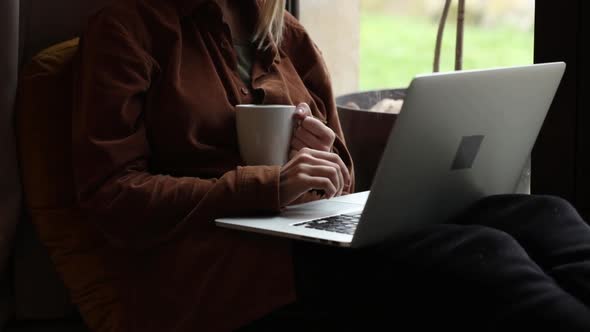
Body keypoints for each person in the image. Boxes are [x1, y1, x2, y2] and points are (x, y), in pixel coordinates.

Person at [69, 0, 590, 331]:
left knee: (544, 215)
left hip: (307, 234)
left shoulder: (286, 34)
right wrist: (267, 185)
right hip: (223, 266)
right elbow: (111, 196)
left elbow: (342, 175)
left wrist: (326, 163)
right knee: (483, 250)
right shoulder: (129, 28)